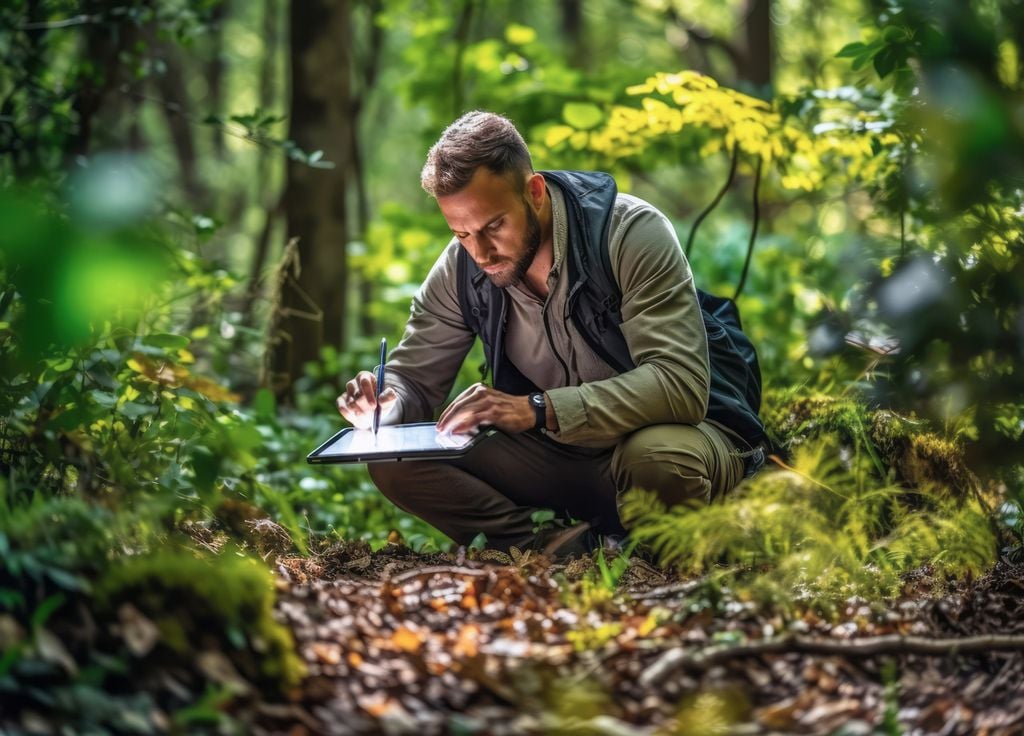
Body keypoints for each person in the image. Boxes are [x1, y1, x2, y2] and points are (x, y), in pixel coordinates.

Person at [336, 110, 761, 554]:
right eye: (461, 232)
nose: (479, 251)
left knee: (657, 461)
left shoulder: (628, 233)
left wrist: (538, 409)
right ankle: (559, 551)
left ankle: (657, 554)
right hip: (564, 456)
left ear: (534, 191)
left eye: (493, 226)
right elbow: (414, 379)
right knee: (393, 462)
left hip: (677, 438)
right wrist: (388, 400)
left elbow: (680, 384)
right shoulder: (462, 267)